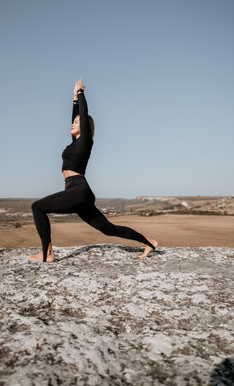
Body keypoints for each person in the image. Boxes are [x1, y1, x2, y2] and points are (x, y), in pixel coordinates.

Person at [28, 79, 158, 263]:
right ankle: (149, 242)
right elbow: (78, 114)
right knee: (108, 228)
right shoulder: (76, 143)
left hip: (78, 191)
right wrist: (73, 98)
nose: (72, 123)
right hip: (77, 193)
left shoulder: (86, 141)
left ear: (86, 128)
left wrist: (80, 93)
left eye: (77, 121)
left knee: (37, 207)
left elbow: (84, 112)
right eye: (73, 121)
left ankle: (47, 253)